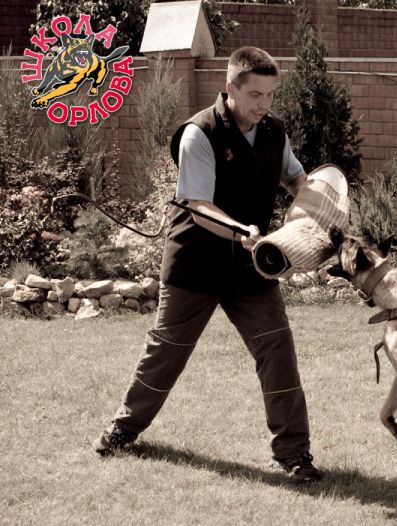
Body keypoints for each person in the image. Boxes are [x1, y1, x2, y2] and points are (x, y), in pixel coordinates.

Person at [93, 46, 322, 483]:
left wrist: (316, 198)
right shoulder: (199, 134)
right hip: (194, 265)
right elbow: (198, 206)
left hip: (250, 267)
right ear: (230, 87)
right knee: (166, 352)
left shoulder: (274, 131)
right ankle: (123, 429)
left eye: (270, 94)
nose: (264, 104)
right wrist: (241, 231)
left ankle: (294, 455)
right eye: (255, 94)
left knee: (277, 350)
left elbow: (293, 176)